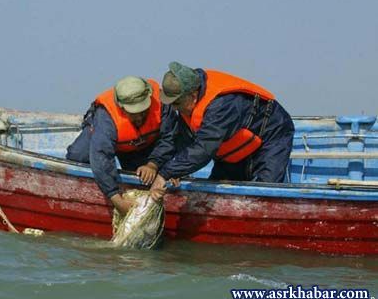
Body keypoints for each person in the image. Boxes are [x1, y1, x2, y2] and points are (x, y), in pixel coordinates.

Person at [150, 61, 295, 199]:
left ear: (193, 96)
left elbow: (203, 149)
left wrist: (165, 173)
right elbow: (184, 140)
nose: (174, 108)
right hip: (234, 143)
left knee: (263, 192)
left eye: (176, 103)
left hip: (271, 133)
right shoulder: (187, 104)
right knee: (216, 191)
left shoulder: (220, 106)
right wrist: (177, 170)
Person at [66, 76, 177, 214]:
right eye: (133, 113)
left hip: (143, 144)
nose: (139, 117)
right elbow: (102, 156)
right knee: (77, 156)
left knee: (146, 176)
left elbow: (169, 139)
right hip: (107, 139)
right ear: (121, 107)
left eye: (143, 111)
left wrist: (153, 164)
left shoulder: (162, 104)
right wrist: (116, 199)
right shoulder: (106, 117)